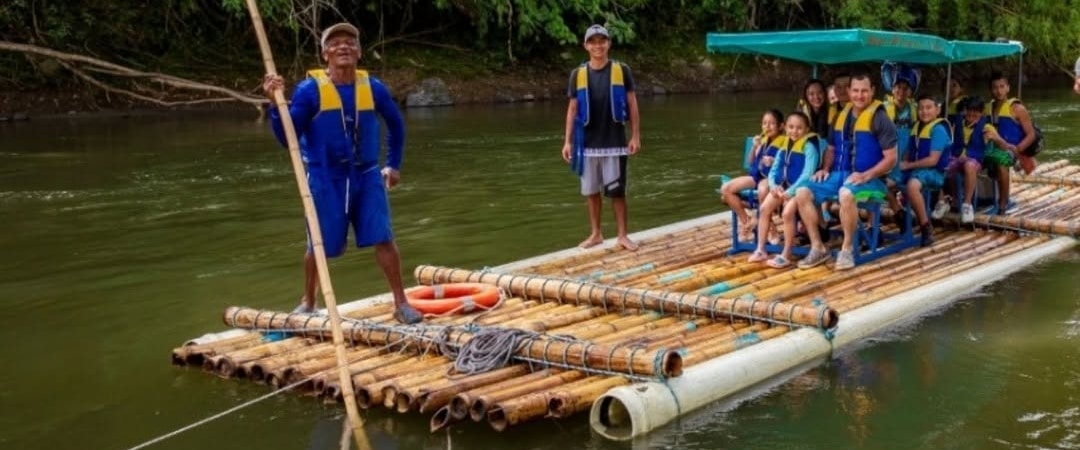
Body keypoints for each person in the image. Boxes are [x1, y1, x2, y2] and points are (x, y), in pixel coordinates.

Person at [262, 22, 423, 324]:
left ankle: (401, 302)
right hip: (325, 178)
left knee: (384, 237)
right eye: (335, 43)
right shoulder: (310, 91)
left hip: (367, 175)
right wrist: (275, 104)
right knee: (320, 244)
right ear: (325, 54)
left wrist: (394, 164)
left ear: (360, 52)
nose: (343, 46)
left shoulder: (373, 88)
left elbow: (397, 126)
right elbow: (288, 138)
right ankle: (308, 301)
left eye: (350, 42)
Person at [795, 73, 897, 271]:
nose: (860, 95)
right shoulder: (841, 116)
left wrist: (866, 175)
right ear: (849, 92)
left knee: (846, 193)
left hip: (872, 180)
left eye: (864, 91)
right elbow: (832, 149)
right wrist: (824, 169)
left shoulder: (880, 118)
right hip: (841, 174)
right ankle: (818, 247)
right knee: (802, 191)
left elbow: (891, 159)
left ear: (872, 92)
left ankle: (847, 248)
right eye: (856, 91)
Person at [562, 24, 642, 251]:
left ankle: (623, 235)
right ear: (586, 46)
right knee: (590, 191)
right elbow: (572, 109)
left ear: (608, 44)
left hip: (615, 141)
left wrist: (635, 136)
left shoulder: (622, 70)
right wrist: (567, 141)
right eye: (593, 41)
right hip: (587, 143)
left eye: (602, 41)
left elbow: (632, 104)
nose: (598, 45)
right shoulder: (577, 75)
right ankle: (596, 233)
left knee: (617, 191)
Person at [747, 112, 820, 268]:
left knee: (787, 213)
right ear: (786, 128)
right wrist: (773, 186)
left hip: (801, 189)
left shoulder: (809, 148)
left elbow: (807, 174)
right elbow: (774, 170)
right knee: (765, 208)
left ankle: (786, 254)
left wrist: (790, 191)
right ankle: (761, 249)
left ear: (807, 129)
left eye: (799, 128)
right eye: (791, 127)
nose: (794, 131)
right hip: (783, 187)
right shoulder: (784, 146)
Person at [943, 96, 1012, 223]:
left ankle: (967, 205)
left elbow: (1004, 146)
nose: (972, 114)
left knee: (970, 165)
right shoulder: (958, 124)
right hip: (958, 157)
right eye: (969, 110)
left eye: (976, 111)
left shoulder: (986, 127)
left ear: (981, 113)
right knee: (945, 166)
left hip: (977, 159)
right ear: (965, 110)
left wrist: (995, 138)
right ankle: (951, 200)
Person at [720, 109, 784, 241]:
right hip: (756, 177)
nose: (767, 126)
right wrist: (755, 147)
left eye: (772, 123)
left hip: (770, 178)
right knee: (725, 189)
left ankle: (770, 226)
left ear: (781, 126)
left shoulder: (785, 141)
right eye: (764, 123)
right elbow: (751, 163)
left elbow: (787, 163)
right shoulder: (763, 140)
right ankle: (747, 222)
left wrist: (773, 162)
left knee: (762, 190)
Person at [902, 95, 951, 246]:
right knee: (885, 181)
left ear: (937, 110)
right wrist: (901, 164)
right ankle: (900, 214)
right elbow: (908, 153)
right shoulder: (916, 128)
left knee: (912, 186)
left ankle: (925, 227)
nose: (924, 111)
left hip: (934, 173)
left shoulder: (939, 130)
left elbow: (933, 160)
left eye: (929, 108)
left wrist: (908, 166)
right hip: (916, 170)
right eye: (921, 108)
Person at [987, 72, 1037, 216]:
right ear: (991, 90)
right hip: (993, 147)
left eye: (1002, 87)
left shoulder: (1017, 109)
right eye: (995, 87)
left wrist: (1018, 149)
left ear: (1008, 88)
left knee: (1001, 161)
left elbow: (1031, 134)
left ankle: (1003, 204)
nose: (999, 91)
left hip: (1013, 149)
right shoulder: (988, 108)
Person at [884, 75, 917, 230]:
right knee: (881, 183)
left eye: (905, 89)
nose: (901, 92)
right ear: (892, 89)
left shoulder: (914, 109)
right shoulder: (883, 108)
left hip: (905, 156)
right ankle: (899, 212)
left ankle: (900, 213)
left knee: (884, 184)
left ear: (910, 92)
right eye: (898, 88)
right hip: (888, 154)